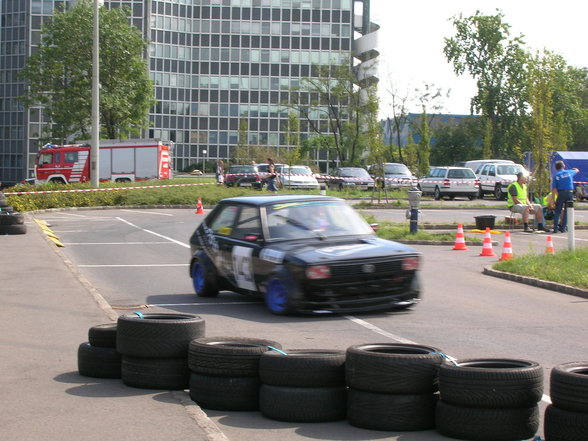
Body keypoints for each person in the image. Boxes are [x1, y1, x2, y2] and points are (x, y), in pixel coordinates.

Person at [552, 161, 579, 233]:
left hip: (561, 193)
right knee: (567, 211)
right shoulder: (569, 172)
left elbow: (554, 189)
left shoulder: (556, 175)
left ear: (556, 168)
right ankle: (563, 228)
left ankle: (555, 228)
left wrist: (553, 199)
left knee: (558, 211)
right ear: (563, 166)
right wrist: (574, 169)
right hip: (569, 193)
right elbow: (576, 170)